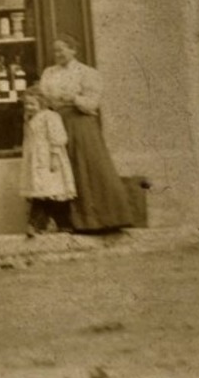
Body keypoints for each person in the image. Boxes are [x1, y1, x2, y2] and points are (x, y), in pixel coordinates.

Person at [37, 34, 134, 232]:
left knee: (86, 167)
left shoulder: (87, 73)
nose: (58, 54)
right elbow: (44, 97)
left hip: (80, 124)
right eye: (55, 51)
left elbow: (91, 103)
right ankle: (70, 222)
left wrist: (73, 98)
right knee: (63, 170)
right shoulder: (49, 73)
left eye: (62, 50)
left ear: (74, 50)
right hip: (56, 122)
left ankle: (100, 220)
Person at [20, 88, 75, 236]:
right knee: (47, 192)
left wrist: (54, 157)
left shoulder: (50, 116)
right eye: (26, 104)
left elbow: (57, 139)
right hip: (36, 160)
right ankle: (60, 224)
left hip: (49, 160)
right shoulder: (30, 118)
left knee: (48, 193)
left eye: (32, 104)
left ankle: (37, 224)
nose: (28, 107)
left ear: (42, 103)